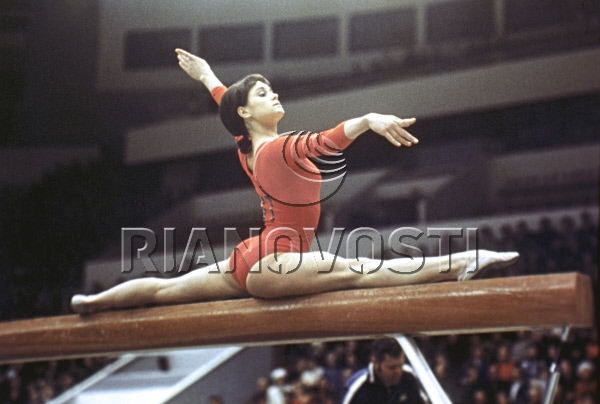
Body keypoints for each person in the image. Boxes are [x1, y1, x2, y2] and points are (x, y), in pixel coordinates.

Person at [70, 49, 518, 314]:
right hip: (277, 262)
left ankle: (93, 303)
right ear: (248, 112)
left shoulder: (246, 143)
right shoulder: (280, 149)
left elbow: (228, 102)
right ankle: (465, 259)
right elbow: (326, 140)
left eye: (271, 88)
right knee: (366, 274)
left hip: (253, 257)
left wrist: (207, 76)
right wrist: (367, 119)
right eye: (264, 93)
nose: (274, 93)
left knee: (169, 288)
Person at [342, 338, 424, 404]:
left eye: (400, 365)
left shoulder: (409, 376)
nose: (398, 371)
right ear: (376, 363)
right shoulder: (357, 387)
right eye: (392, 367)